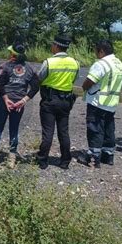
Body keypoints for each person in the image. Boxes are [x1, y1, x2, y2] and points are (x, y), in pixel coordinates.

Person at [0, 43, 39, 168]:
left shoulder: (5, 66)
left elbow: (0, 84)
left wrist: (6, 99)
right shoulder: (30, 68)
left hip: (4, 101)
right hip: (19, 103)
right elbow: (35, 87)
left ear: (12, 54)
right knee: (14, 130)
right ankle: (11, 159)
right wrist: (23, 101)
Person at [78, 40, 122, 168]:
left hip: (97, 101)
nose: (96, 54)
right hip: (111, 102)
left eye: (96, 51)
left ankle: (93, 157)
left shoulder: (101, 64)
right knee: (109, 128)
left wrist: (83, 87)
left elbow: (90, 81)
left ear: (102, 51)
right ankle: (108, 155)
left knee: (95, 129)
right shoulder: (119, 63)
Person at [36, 35, 79, 170]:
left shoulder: (49, 62)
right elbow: (73, 80)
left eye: (52, 44)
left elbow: (39, 78)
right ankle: (65, 160)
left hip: (50, 100)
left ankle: (43, 160)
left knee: (48, 132)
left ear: (56, 46)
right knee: (63, 131)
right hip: (66, 101)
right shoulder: (75, 63)